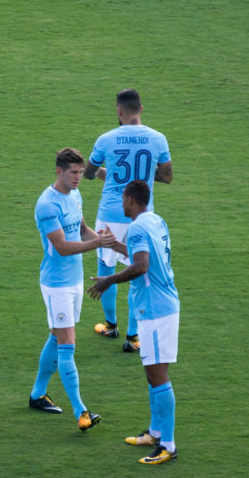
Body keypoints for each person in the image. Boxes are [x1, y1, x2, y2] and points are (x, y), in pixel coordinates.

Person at [87, 180, 180, 464]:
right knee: (153, 374)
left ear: (129, 200)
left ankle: (168, 445)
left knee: (158, 376)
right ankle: (155, 432)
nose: (121, 204)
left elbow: (141, 266)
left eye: (123, 200)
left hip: (156, 310)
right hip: (160, 305)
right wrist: (116, 245)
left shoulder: (138, 227)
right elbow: (144, 255)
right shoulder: (155, 220)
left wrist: (108, 280)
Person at [28, 147, 121, 431]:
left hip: (74, 280)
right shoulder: (47, 204)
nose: (79, 177)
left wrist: (108, 243)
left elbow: (81, 230)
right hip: (56, 284)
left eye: (81, 172)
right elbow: (62, 247)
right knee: (68, 344)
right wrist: (96, 244)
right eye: (73, 173)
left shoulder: (76, 195)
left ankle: (36, 395)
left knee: (57, 338)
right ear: (59, 171)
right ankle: (81, 411)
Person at [84, 89, 172, 352]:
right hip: (141, 216)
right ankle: (133, 338)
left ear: (119, 111)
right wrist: (143, 174)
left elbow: (88, 173)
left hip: (110, 214)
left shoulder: (106, 139)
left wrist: (109, 176)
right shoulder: (158, 139)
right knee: (136, 271)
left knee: (106, 267)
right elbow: (167, 177)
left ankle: (111, 326)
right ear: (141, 108)